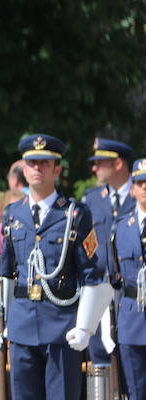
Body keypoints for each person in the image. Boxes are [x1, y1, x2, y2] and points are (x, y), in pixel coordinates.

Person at [0, 134, 109, 400]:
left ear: (57, 169)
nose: (37, 168)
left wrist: (85, 324)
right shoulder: (13, 214)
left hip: (61, 323)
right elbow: (6, 272)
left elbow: (91, 273)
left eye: (45, 163)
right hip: (23, 322)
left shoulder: (75, 213)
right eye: (31, 162)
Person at [107, 157, 146, 400]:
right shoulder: (122, 226)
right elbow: (113, 277)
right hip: (133, 316)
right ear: (133, 188)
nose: (145, 189)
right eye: (141, 183)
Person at [82, 138, 134, 368]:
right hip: (100, 293)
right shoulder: (92, 199)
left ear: (118, 164)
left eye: (99, 162)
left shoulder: (140, 194)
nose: (94, 168)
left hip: (133, 295)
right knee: (101, 365)